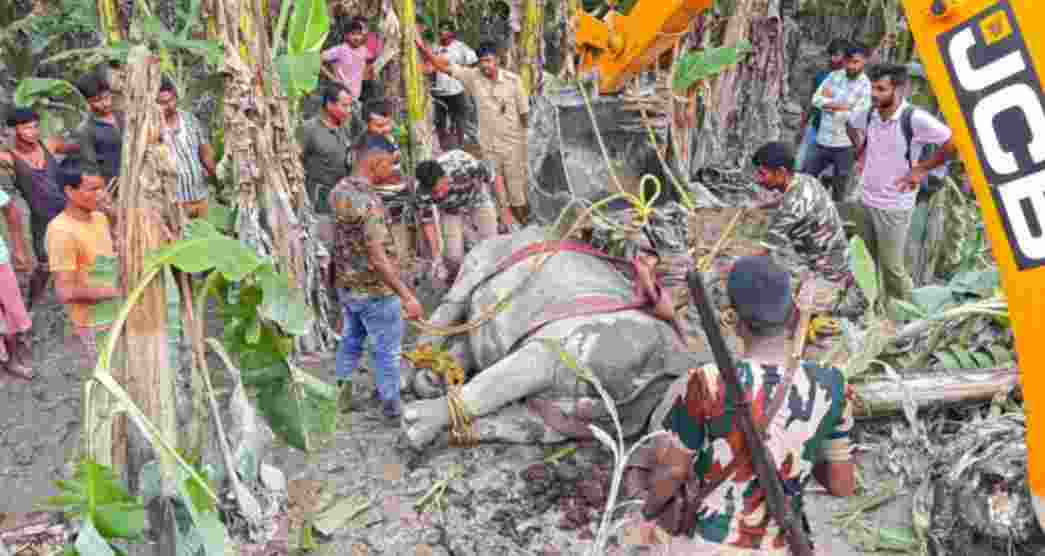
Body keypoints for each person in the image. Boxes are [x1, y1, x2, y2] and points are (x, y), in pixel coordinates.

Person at [627, 256, 856, 554]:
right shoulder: (832, 385)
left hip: (708, 545)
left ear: (733, 320)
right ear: (795, 314)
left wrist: (645, 514)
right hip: (779, 546)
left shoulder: (708, 381)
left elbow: (672, 472)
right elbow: (842, 485)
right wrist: (796, 451)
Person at [846, 64, 955, 308]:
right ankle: (870, 307)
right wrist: (860, 149)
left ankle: (906, 314)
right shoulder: (868, 113)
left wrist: (922, 168)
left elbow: (951, 142)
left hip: (894, 205)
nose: (874, 94)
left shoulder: (914, 118)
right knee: (866, 260)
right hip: (865, 199)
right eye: (872, 88)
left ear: (899, 90)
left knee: (892, 267)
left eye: (881, 89)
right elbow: (850, 125)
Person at [327, 148, 423, 421]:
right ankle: (392, 406)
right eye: (390, 164)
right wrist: (406, 296)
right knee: (388, 351)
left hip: (347, 285)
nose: (391, 171)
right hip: (375, 290)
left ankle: (342, 394)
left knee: (351, 341)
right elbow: (377, 256)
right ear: (375, 161)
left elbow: (337, 238)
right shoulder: (369, 203)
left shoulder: (338, 191)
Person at [415, 38, 530, 227]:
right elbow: (443, 66)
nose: (485, 65)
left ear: (498, 60)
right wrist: (423, 49)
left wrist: (526, 142)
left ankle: (525, 226)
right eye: (482, 61)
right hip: (488, 145)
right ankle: (506, 229)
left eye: (489, 60)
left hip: (513, 145)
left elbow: (525, 114)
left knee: (517, 192)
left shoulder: (513, 81)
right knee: (496, 192)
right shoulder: (473, 77)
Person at [0, 107, 80, 310]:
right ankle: (32, 306)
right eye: (27, 128)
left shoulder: (49, 145)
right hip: (41, 220)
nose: (34, 132)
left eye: (36, 127)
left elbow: (77, 146)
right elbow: (9, 203)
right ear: (13, 131)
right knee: (44, 267)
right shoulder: (8, 159)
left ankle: (76, 304)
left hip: (67, 213)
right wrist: (18, 243)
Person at [46, 170, 119, 368]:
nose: (102, 195)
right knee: (111, 372)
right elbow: (65, 291)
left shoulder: (99, 218)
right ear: (69, 191)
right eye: (93, 189)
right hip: (95, 321)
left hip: (116, 311)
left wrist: (113, 213)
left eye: (102, 188)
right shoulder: (61, 232)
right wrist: (115, 291)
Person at [751, 141, 849, 284]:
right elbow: (789, 200)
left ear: (781, 172)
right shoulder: (806, 180)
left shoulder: (791, 207)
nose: (757, 179)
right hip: (837, 254)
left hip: (828, 272)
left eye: (762, 173)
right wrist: (763, 206)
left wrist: (730, 268)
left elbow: (763, 250)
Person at [414, 150, 500, 284]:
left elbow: (494, 178)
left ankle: (493, 280)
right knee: (453, 257)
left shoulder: (466, 165)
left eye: (440, 189)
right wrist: (437, 255)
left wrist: (505, 213)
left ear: (444, 177)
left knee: (492, 244)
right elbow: (428, 222)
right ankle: (457, 284)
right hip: (450, 210)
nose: (439, 195)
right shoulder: (421, 192)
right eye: (434, 193)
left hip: (476, 199)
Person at [803, 43, 872, 203]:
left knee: (839, 188)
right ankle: (801, 211)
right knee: (806, 178)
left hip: (844, 145)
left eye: (856, 62)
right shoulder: (834, 76)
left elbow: (857, 115)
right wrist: (842, 106)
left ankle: (836, 221)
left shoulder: (866, 86)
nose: (851, 66)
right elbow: (816, 99)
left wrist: (831, 105)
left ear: (864, 62)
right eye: (848, 61)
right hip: (822, 139)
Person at [298, 83, 358, 252]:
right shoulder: (309, 129)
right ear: (330, 105)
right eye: (344, 105)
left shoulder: (345, 128)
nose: (349, 110)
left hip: (342, 201)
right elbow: (294, 162)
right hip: (319, 202)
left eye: (350, 106)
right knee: (323, 249)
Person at [157, 78, 217, 219]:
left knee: (206, 235)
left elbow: (205, 152)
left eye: (171, 100)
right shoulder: (154, 128)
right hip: (176, 202)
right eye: (163, 103)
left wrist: (216, 176)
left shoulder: (189, 120)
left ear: (176, 97)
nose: (169, 105)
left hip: (200, 195)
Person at [794, 38, 849, 171]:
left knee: (827, 175)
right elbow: (811, 103)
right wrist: (802, 126)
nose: (832, 59)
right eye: (830, 54)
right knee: (800, 167)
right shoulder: (820, 77)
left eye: (836, 55)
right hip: (815, 130)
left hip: (837, 136)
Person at [430, 21, 479, 151]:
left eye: (445, 29)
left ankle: (461, 147)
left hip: (457, 92)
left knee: (460, 123)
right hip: (438, 93)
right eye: (440, 29)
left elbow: (473, 63)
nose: (442, 32)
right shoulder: (434, 48)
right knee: (439, 123)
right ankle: (443, 149)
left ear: (452, 32)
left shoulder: (461, 48)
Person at [75, 73, 125, 185]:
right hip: (115, 189)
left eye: (107, 97)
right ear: (86, 102)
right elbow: (91, 169)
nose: (105, 103)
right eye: (97, 100)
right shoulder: (85, 130)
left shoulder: (124, 115)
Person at [322, 18, 370, 101]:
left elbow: (369, 64)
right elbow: (318, 59)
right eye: (353, 34)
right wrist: (332, 78)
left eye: (359, 34)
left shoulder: (364, 50)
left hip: (356, 98)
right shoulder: (340, 49)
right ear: (346, 36)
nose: (356, 37)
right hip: (341, 98)